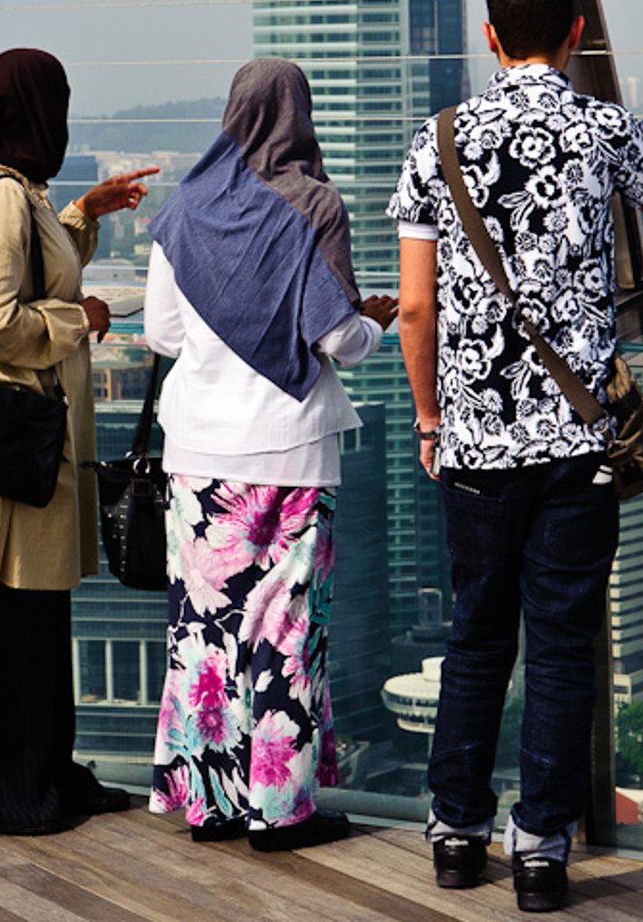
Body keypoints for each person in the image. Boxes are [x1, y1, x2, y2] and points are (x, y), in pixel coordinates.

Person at [388, 0, 643, 912]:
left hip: (475, 445)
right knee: (566, 644)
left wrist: (430, 417)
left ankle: (454, 834)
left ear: (490, 35)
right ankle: (540, 850)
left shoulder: (436, 138)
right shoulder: (602, 126)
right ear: (575, 36)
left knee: (476, 637)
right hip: (577, 443)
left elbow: (415, 308)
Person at [143, 57, 397, 852]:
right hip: (285, 454)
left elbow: (162, 334)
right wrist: (375, 321)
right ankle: (280, 810)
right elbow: (335, 339)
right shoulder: (314, 205)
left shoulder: (185, 207)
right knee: (283, 631)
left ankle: (210, 802)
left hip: (196, 454)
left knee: (205, 628)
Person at [0, 47, 159, 836]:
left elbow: (31, 276)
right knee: (6, 615)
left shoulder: (6, 191)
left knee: (35, 614)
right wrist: (80, 321)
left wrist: (83, 214)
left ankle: (44, 770)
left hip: (22, 442)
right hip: (9, 442)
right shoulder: (2, 199)